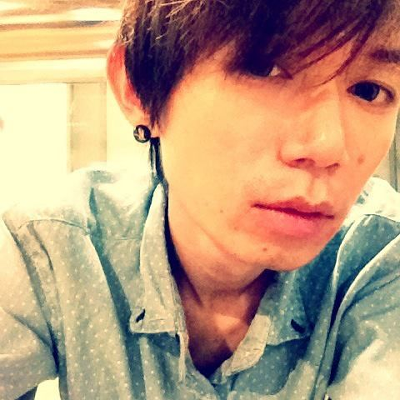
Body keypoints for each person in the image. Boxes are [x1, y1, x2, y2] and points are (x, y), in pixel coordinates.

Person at [1, 0, 400, 399]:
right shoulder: (53, 246)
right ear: (136, 86)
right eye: (263, 68)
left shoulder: (379, 256)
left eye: (370, 91)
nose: (328, 146)